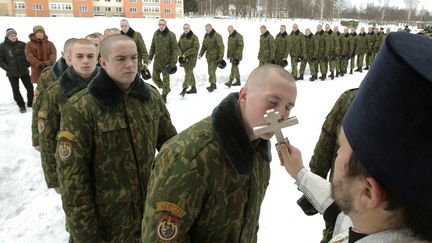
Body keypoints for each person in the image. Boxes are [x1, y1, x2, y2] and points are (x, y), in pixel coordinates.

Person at [279, 32, 432, 243]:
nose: (337, 154)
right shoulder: (387, 219)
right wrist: (300, 172)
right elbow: (338, 210)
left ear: (368, 193)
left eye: (341, 148)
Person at [141, 64, 297, 242]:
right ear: (244, 95)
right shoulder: (190, 157)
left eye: (288, 107)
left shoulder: (258, 150)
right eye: (272, 102)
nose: (281, 115)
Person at [56, 34, 177, 242]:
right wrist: (86, 235)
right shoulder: (82, 108)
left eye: (134, 57)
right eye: (121, 59)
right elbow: (73, 181)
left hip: (148, 216)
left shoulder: (150, 98)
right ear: (103, 63)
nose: (130, 65)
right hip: (107, 224)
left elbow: (172, 148)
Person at [297, 88, 358, 243]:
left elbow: (326, 140)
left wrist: (314, 182)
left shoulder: (350, 98)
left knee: (336, 231)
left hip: (342, 197)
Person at [38, 39, 99, 192]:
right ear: (70, 58)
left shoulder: (107, 86)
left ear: (98, 58)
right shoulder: (56, 92)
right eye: (80, 56)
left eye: (90, 56)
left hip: (104, 167)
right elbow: (47, 138)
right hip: (72, 165)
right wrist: (53, 178)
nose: (85, 61)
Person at [32, 38, 77, 151]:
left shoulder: (90, 74)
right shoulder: (48, 75)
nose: (73, 58)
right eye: (69, 54)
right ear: (62, 54)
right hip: (55, 131)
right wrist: (37, 138)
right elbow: (38, 107)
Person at [0, 28, 33, 113]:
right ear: (7, 36)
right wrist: (8, 68)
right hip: (12, 73)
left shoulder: (22, 44)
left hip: (24, 71)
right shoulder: (2, 46)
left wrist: (27, 64)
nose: (14, 37)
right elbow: (0, 60)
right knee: (16, 90)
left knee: (30, 87)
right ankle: (21, 105)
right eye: (11, 35)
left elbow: (28, 55)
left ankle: (30, 103)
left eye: (15, 35)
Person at [149, 19, 178, 102]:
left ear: (166, 25)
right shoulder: (156, 34)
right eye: (160, 25)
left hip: (167, 62)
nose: (161, 26)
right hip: (157, 61)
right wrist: (150, 58)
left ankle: (164, 95)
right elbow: (152, 47)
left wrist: (173, 62)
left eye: (163, 25)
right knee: (155, 78)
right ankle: (166, 88)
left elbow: (175, 49)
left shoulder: (171, 35)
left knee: (166, 79)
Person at [199, 24, 224, 93]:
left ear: (211, 28)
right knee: (211, 70)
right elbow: (203, 46)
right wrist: (201, 54)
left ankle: (212, 85)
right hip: (209, 57)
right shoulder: (206, 35)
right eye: (205, 29)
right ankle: (214, 84)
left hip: (215, 57)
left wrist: (220, 57)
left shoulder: (217, 36)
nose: (206, 30)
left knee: (211, 71)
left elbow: (221, 47)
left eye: (208, 29)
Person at [178, 23, 199, 96]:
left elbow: (195, 48)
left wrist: (186, 54)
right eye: (184, 28)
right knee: (189, 72)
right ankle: (193, 88)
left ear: (189, 28)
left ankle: (184, 88)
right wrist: (180, 54)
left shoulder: (194, 37)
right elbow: (178, 46)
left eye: (187, 28)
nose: (185, 29)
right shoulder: (182, 36)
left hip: (192, 59)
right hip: (184, 58)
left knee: (188, 72)